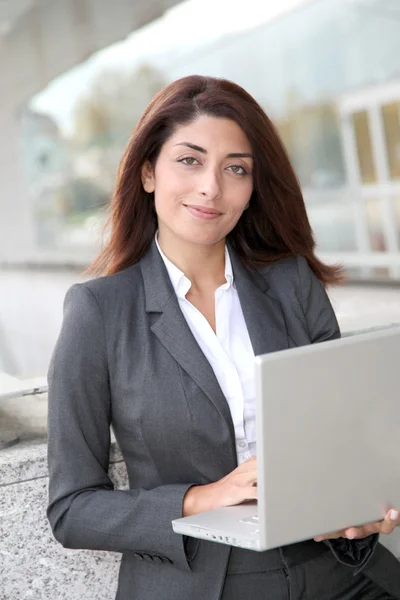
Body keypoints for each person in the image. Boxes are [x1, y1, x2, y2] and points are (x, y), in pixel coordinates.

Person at [47, 75, 400, 600]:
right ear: (147, 173)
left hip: (337, 572)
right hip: (201, 584)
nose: (211, 186)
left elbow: (348, 435)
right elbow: (72, 508)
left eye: (236, 168)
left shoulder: (291, 281)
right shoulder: (98, 312)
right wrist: (203, 497)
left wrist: (362, 505)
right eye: (189, 160)